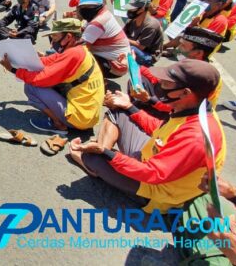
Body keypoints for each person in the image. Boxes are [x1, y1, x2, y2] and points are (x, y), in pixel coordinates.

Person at [69, 60, 225, 214]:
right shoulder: (196, 110)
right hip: (150, 157)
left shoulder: (196, 136)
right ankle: (103, 164)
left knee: (92, 157)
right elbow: (160, 129)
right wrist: (129, 106)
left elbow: (153, 174)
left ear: (185, 93)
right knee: (118, 111)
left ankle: (95, 164)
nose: (161, 84)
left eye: (167, 84)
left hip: (157, 191)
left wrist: (107, 153)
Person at [0, 18, 103, 138]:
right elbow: (49, 61)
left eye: (55, 37)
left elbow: (41, 79)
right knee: (45, 81)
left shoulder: (74, 54)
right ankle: (61, 118)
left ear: (68, 37)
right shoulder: (80, 50)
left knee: (31, 86)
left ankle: (58, 124)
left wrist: (13, 70)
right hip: (88, 116)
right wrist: (23, 60)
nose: (53, 42)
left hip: (80, 118)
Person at [78, 0, 130, 78]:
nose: (85, 9)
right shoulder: (104, 14)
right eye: (83, 7)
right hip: (117, 61)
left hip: (115, 66)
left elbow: (82, 48)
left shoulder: (97, 23)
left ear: (99, 6)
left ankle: (94, 80)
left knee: (78, 57)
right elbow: (82, 29)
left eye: (90, 6)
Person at [122, 0, 163, 66]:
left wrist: (123, 39)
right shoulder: (131, 21)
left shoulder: (151, 25)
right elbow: (122, 33)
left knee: (130, 49)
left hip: (148, 55)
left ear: (142, 9)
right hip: (134, 47)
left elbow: (141, 46)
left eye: (131, 9)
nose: (129, 11)